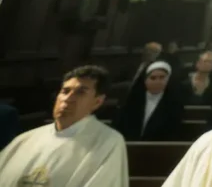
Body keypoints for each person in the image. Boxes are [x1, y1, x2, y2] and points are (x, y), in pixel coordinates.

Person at [0, 65, 128, 186]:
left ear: (97, 101)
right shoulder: (25, 140)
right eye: (65, 91)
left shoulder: (108, 142)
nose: (68, 98)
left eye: (80, 92)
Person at [115, 61, 184, 141]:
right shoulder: (131, 100)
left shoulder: (174, 103)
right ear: (145, 80)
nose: (157, 82)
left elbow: (174, 133)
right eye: (153, 78)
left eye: (162, 77)